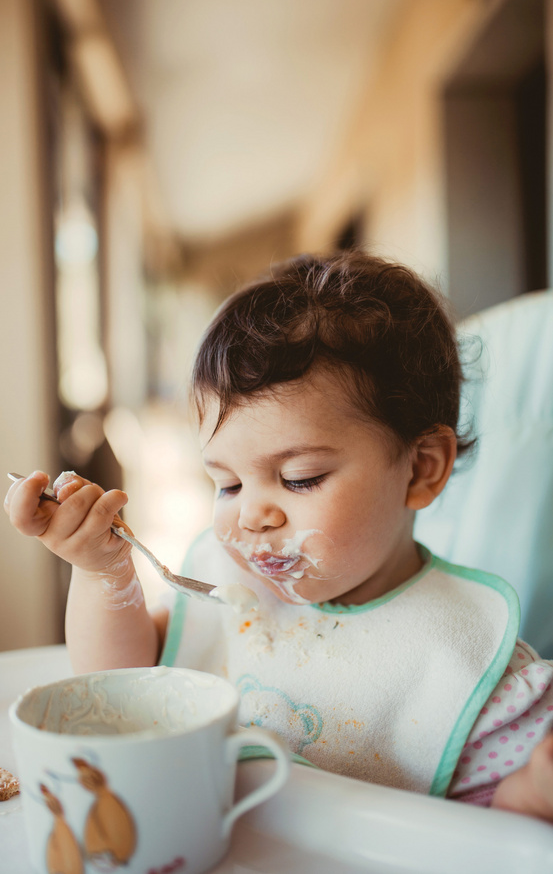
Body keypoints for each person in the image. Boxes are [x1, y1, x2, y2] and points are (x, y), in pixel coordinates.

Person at [5, 251, 553, 820]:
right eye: (227, 484)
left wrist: (531, 797)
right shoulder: (228, 597)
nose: (250, 517)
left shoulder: (471, 664)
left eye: (299, 478)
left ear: (420, 469)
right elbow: (119, 689)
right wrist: (102, 569)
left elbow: (495, 827)